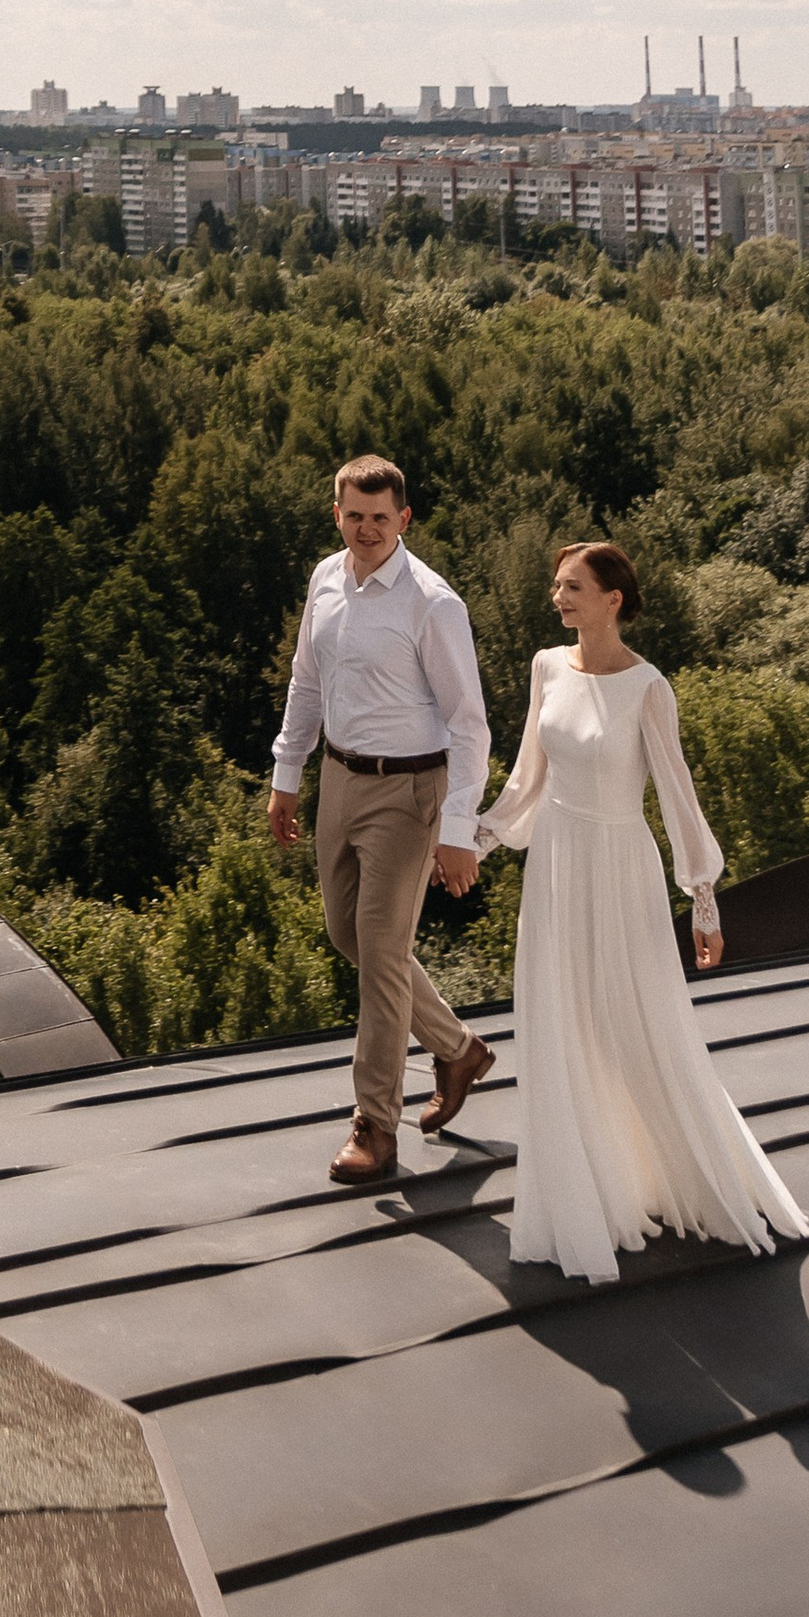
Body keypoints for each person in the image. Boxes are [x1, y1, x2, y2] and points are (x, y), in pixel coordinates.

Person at [474, 539, 809, 1285]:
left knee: (635, 1018)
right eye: (557, 586)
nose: (558, 598)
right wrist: (481, 838)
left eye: (572, 587)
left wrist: (704, 900)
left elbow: (677, 792)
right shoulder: (545, 667)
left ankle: (689, 1173)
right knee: (561, 1020)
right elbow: (528, 776)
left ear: (612, 599)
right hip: (557, 863)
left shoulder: (648, 688)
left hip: (620, 866)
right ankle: (586, 1194)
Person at [268, 455, 494, 1189]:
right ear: (337, 513)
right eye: (353, 515)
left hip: (410, 793)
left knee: (382, 959)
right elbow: (307, 679)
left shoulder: (433, 604)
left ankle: (375, 1126)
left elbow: (469, 725)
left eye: (380, 517)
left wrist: (458, 828)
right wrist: (287, 774)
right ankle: (457, 1048)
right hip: (340, 777)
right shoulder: (324, 580)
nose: (366, 529)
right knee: (350, 936)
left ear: (404, 519)